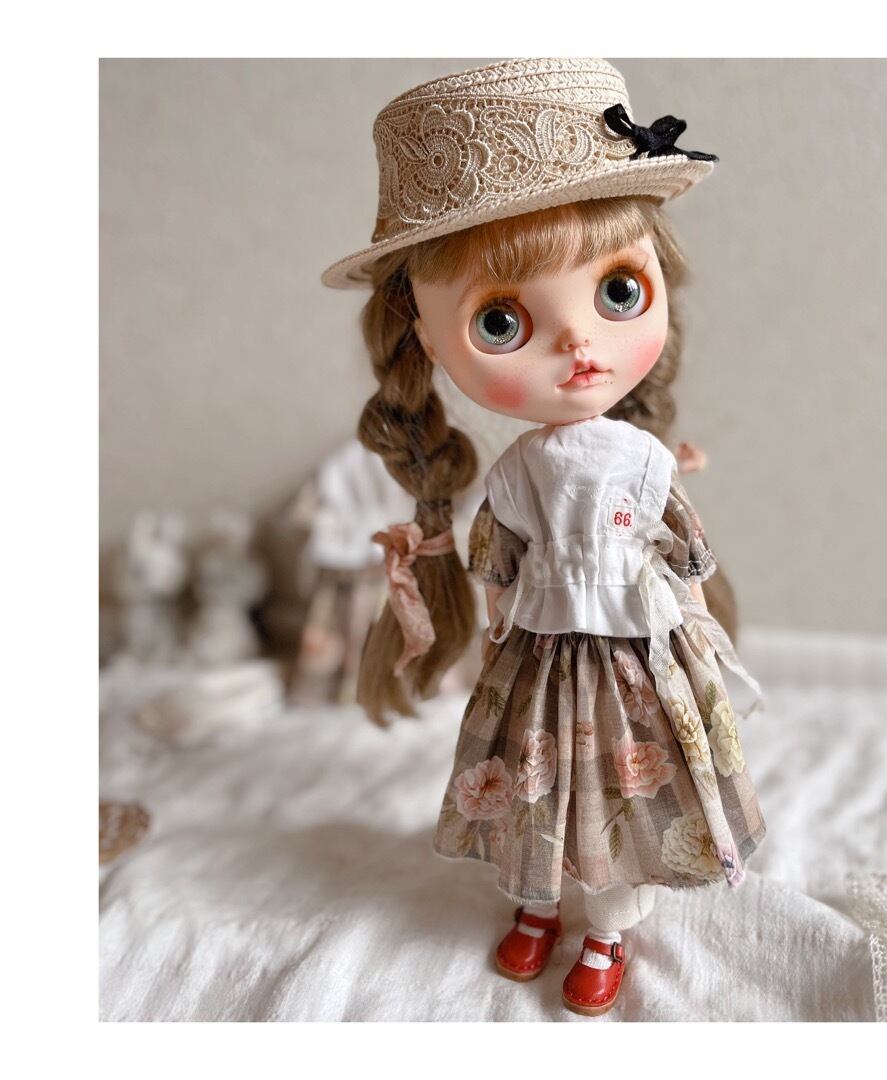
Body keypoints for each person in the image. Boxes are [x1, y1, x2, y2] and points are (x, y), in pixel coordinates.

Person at [322, 57, 766, 1018]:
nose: (578, 345)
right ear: (427, 341)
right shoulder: (517, 474)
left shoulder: (645, 462)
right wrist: (493, 636)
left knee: (624, 788)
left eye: (618, 292)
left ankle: (607, 928)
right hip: (541, 652)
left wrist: (695, 638)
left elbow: (686, 554)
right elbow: (499, 563)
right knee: (535, 780)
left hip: (636, 654)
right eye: (501, 320)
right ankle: (535, 904)